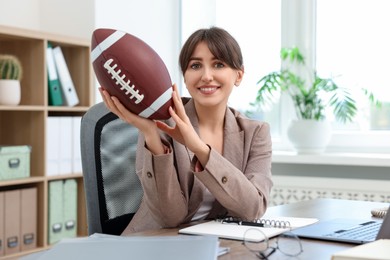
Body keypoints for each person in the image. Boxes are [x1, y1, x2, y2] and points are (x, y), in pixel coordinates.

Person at [99, 26, 273, 234]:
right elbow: (169, 217)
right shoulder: (161, 121)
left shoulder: (256, 133)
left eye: (218, 64)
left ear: (239, 75)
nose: (207, 76)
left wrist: (199, 148)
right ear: (184, 75)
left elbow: (252, 209)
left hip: (218, 244)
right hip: (154, 242)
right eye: (195, 65)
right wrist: (151, 134)